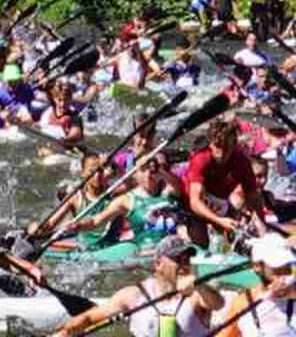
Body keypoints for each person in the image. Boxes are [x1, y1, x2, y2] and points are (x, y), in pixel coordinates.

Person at [52, 236, 223, 337]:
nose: (184, 264)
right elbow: (89, 319)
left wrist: (199, 285)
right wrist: (66, 332)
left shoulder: (197, 295)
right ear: (158, 264)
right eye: (177, 259)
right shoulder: (133, 295)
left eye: (187, 260)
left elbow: (218, 304)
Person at [184, 118, 267, 242]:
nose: (221, 153)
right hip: (193, 205)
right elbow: (195, 202)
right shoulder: (201, 159)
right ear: (210, 143)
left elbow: (253, 197)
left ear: (234, 145)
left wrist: (262, 228)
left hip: (220, 203)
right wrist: (218, 220)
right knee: (201, 241)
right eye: (218, 146)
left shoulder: (241, 161)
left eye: (227, 147)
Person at [218, 233, 296, 337]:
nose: (285, 273)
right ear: (257, 267)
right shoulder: (242, 304)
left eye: (287, 266)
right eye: (277, 267)